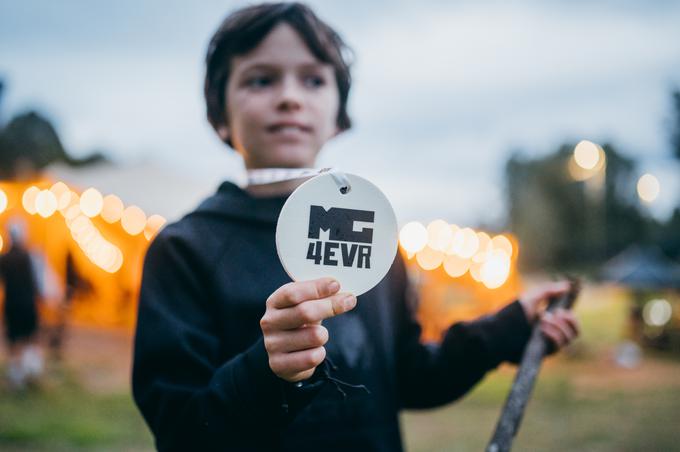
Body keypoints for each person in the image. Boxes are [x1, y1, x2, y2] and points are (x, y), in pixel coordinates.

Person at [132, 3, 580, 451]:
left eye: (313, 79)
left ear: (340, 114)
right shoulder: (184, 250)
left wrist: (508, 328)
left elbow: (409, 378)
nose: (290, 97)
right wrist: (268, 372)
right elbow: (183, 431)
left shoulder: (373, 234)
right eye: (260, 79)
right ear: (218, 112)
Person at [0, 221, 43, 389]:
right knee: (29, 338)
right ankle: (27, 372)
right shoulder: (29, 256)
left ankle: (18, 375)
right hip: (27, 304)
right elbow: (37, 282)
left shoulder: (4, 258)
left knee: (14, 340)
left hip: (12, 305)